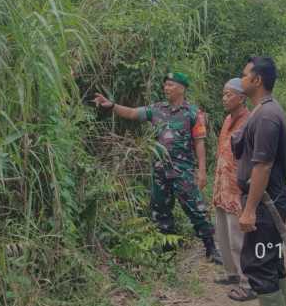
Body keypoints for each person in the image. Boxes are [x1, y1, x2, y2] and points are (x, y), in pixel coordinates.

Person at [93, 72, 222, 264]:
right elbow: (132, 113)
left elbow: (200, 143)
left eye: (170, 85)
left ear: (181, 88)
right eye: (165, 85)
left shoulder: (194, 113)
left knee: (196, 209)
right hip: (160, 171)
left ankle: (211, 248)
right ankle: (168, 251)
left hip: (183, 171)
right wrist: (111, 105)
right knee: (160, 210)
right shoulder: (157, 109)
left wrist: (202, 171)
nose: (166, 88)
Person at [232, 56, 286, 306]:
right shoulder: (263, 110)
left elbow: (263, 166)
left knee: (260, 263)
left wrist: (249, 209)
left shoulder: (267, 116)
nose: (240, 79)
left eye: (244, 75)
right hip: (270, 201)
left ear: (257, 80)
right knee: (272, 261)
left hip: (266, 203)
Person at [212, 78, 255, 299]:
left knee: (239, 238)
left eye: (229, 95)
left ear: (242, 98)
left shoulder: (249, 122)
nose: (224, 98)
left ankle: (247, 283)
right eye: (223, 94)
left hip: (237, 189)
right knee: (223, 234)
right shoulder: (228, 119)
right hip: (222, 187)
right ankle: (231, 273)